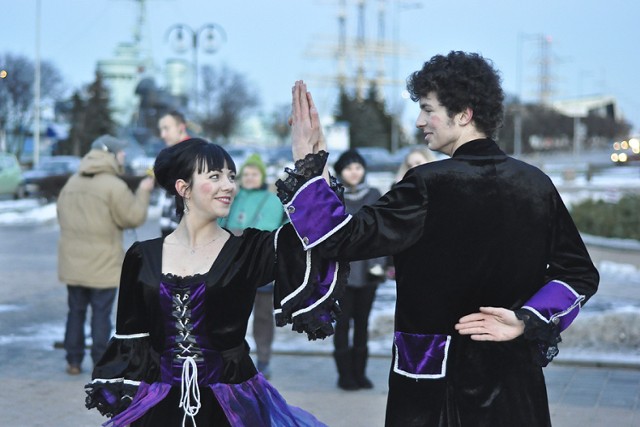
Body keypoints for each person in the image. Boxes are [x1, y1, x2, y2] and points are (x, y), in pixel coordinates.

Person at [283, 51, 599, 427]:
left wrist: (308, 163)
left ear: (463, 114)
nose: (419, 121)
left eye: (428, 109)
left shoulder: (428, 184)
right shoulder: (536, 184)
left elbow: (341, 238)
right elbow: (578, 274)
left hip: (437, 390)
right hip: (515, 383)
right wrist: (526, 320)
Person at [85, 138, 344, 426]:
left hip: (232, 405)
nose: (229, 186)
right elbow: (133, 338)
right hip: (159, 404)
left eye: (231, 177)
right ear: (183, 188)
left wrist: (312, 166)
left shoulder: (248, 250)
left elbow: (319, 237)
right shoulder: (142, 257)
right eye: (215, 176)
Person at [57, 135, 154, 375]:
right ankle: (100, 361)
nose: (123, 157)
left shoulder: (71, 183)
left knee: (75, 311)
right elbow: (132, 218)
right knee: (101, 314)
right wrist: (143, 192)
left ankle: (73, 361)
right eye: (121, 153)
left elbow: (61, 217)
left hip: (73, 263)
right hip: (103, 263)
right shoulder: (113, 185)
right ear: (110, 154)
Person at [218, 153, 285, 379]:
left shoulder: (273, 200)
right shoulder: (231, 198)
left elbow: (282, 228)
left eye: (254, 173)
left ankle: (264, 359)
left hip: (262, 266)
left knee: (264, 317)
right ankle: (231, 357)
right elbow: (218, 224)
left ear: (262, 176)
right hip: (232, 267)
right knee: (231, 315)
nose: (249, 177)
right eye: (245, 174)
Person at [331, 149, 385, 390]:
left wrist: (381, 264)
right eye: (349, 168)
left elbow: (382, 230)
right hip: (340, 271)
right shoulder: (333, 195)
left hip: (368, 269)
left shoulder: (374, 194)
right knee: (342, 324)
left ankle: (360, 373)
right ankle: (344, 374)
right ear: (340, 171)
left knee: (362, 323)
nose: (354, 172)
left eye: (358, 167)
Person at [158, 110, 191, 237]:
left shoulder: (196, 154)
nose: (162, 135)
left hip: (186, 231)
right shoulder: (170, 154)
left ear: (181, 127)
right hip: (169, 228)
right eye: (161, 130)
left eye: (166, 128)